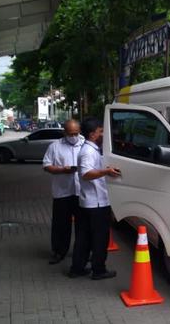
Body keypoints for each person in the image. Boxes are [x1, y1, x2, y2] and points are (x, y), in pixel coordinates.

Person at [69, 118, 121, 279]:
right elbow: (85, 173)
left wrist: (104, 170)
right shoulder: (88, 152)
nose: (102, 134)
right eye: (100, 131)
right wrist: (106, 172)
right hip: (96, 204)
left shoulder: (91, 149)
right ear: (92, 134)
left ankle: (77, 268)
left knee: (84, 238)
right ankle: (99, 270)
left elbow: (91, 170)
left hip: (89, 202)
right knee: (100, 238)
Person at [42, 119, 84, 265]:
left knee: (83, 225)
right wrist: (62, 170)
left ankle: (82, 252)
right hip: (62, 192)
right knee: (61, 224)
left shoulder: (85, 145)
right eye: (71, 134)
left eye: (76, 133)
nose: (74, 137)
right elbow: (47, 166)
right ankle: (59, 251)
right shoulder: (55, 146)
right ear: (64, 132)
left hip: (81, 192)